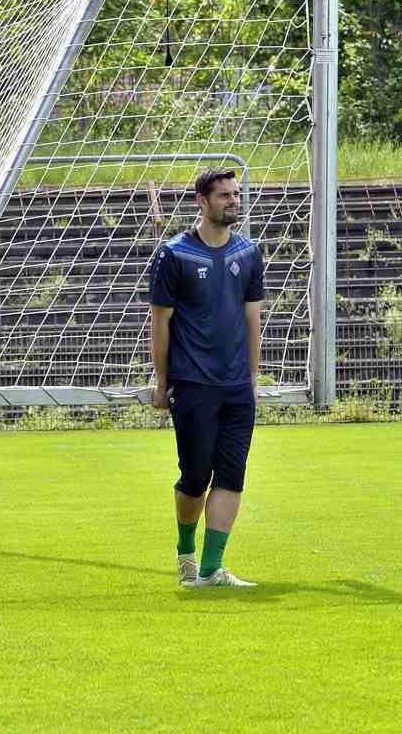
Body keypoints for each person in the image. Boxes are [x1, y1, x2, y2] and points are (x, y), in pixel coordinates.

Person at [148, 168, 265, 588]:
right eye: (224, 195)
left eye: (236, 194)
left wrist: (252, 377)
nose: (233, 201)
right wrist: (162, 383)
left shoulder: (249, 253)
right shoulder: (174, 254)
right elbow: (160, 322)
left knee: (232, 474)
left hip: (237, 387)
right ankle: (186, 555)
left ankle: (214, 568)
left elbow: (253, 318)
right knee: (196, 476)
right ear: (201, 200)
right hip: (193, 384)